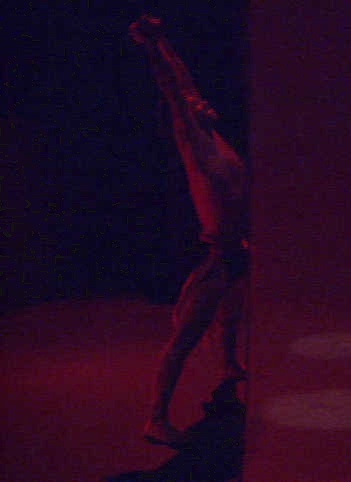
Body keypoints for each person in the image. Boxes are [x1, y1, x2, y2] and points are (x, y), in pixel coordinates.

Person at [129, 14, 249, 447]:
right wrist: (152, 46)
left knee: (230, 316)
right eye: (194, 105)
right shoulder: (197, 146)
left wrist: (165, 43)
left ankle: (229, 366)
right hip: (215, 257)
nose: (201, 103)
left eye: (201, 101)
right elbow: (175, 90)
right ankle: (156, 418)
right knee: (184, 340)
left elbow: (187, 83)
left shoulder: (217, 139)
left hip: (237, 252)